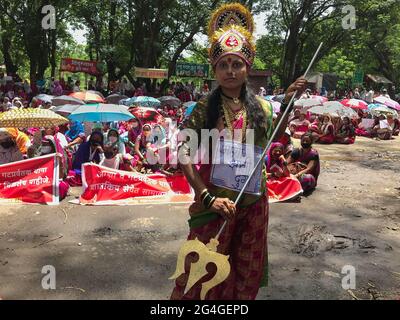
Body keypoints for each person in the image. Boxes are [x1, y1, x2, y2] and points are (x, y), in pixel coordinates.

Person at [170, 3, 307, 300]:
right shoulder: (204, 108)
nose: (230, 71)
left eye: (237, 64)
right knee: (198, 276)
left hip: (254, 203)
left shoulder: (264, 107)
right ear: (215, 69)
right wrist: (208, 197)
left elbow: (275, 139)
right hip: (215, 205)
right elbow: (183, 153)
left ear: (248, 67)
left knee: (245, 276)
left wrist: (289, 102)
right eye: (223, 64)